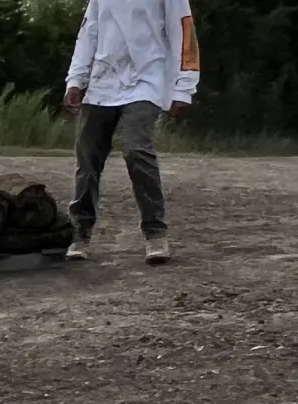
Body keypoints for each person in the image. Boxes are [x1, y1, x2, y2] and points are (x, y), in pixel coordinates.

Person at [63, 0, 199, 264]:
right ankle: (80, 232)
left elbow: (183, 32)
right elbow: (88, 33)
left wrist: (184, 87)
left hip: (147, 80)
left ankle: (155, 231)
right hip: (102, 83)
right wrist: (76, 80)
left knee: (136, 149)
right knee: (88, 156)